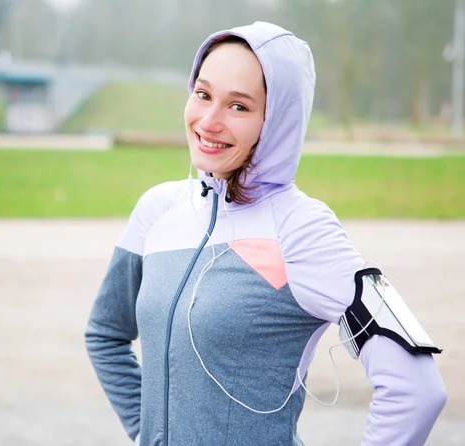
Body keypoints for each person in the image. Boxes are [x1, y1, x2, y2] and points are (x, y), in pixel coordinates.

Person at [85, 22, 447, 445]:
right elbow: (105, 335)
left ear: (276, 121)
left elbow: (417, 390)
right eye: (203, 95)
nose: (209, 121)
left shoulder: (302, 229)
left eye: (238, 107)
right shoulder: (158, 210)